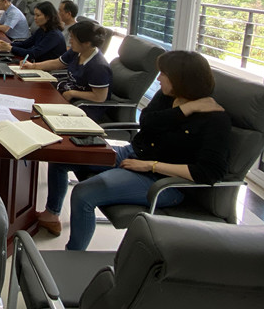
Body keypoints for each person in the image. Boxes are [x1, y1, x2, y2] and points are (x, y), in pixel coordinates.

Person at [38, 51, 231, 251]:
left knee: (83, 193)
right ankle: (51, 214)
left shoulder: (215, 120)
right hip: (134, 153)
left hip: (162, 181)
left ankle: (73, 256)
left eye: (164, 74)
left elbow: (209, 172)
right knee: (61, 157)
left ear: (181, 80)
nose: (158, 78)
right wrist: (184, 110)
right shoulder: (168, 97)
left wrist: (151, 166)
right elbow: (146, 122)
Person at [23, 20, 112, 104]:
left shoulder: (98, 67)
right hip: (68, 92)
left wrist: (72, 93)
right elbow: (57, 63)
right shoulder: (77, 51)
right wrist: (33, 66)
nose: (70, 41)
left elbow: (99, 97)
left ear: (87, 43)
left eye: (73, 38)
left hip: (83, 104)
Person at [0, 1, 64, 62]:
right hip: (36, 63)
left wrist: (10, 48)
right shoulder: (42, 30)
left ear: (48, 17)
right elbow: (25, 44)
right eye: (35, 15)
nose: (35, 18)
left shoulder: (54, 35)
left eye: (38, 15)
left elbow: (33, 54)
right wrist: (8, 44)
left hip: (47, 69)